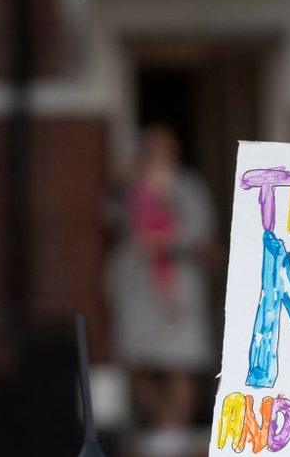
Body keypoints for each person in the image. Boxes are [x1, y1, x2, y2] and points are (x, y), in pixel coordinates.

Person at [107, 124, 216, 456]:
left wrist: (168, 232)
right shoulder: (127, 187)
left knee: (182, 362)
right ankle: (158, 431)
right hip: (140, 287)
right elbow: (109, 223)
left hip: (178, 285)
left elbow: (201, 231)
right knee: (137, 360)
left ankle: (174, 436)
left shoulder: (188, 186)